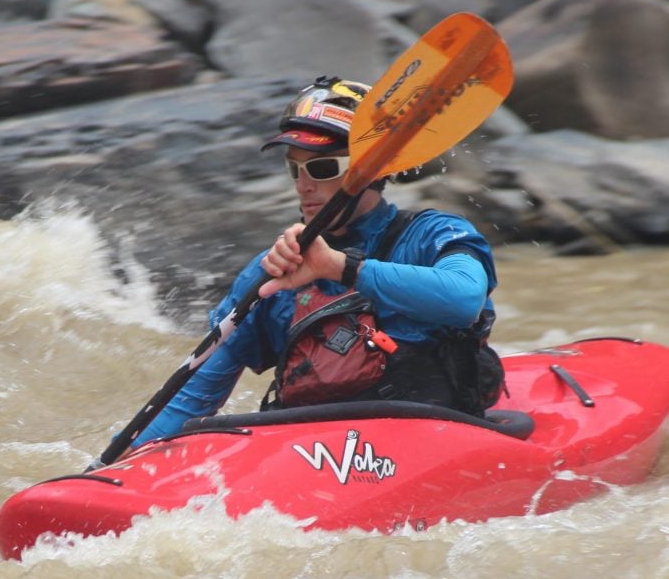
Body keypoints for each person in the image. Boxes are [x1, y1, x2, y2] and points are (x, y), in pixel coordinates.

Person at [130, 75, 504, 448]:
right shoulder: (273, 274)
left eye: (322, 168)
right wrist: (124, 461)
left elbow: (465, 299)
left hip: (433, 444)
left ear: (369, 171)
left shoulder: (431, 234)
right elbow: (193, 398)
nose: (303, 184)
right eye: (295, 168)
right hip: (315, 460)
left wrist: (339, 268)